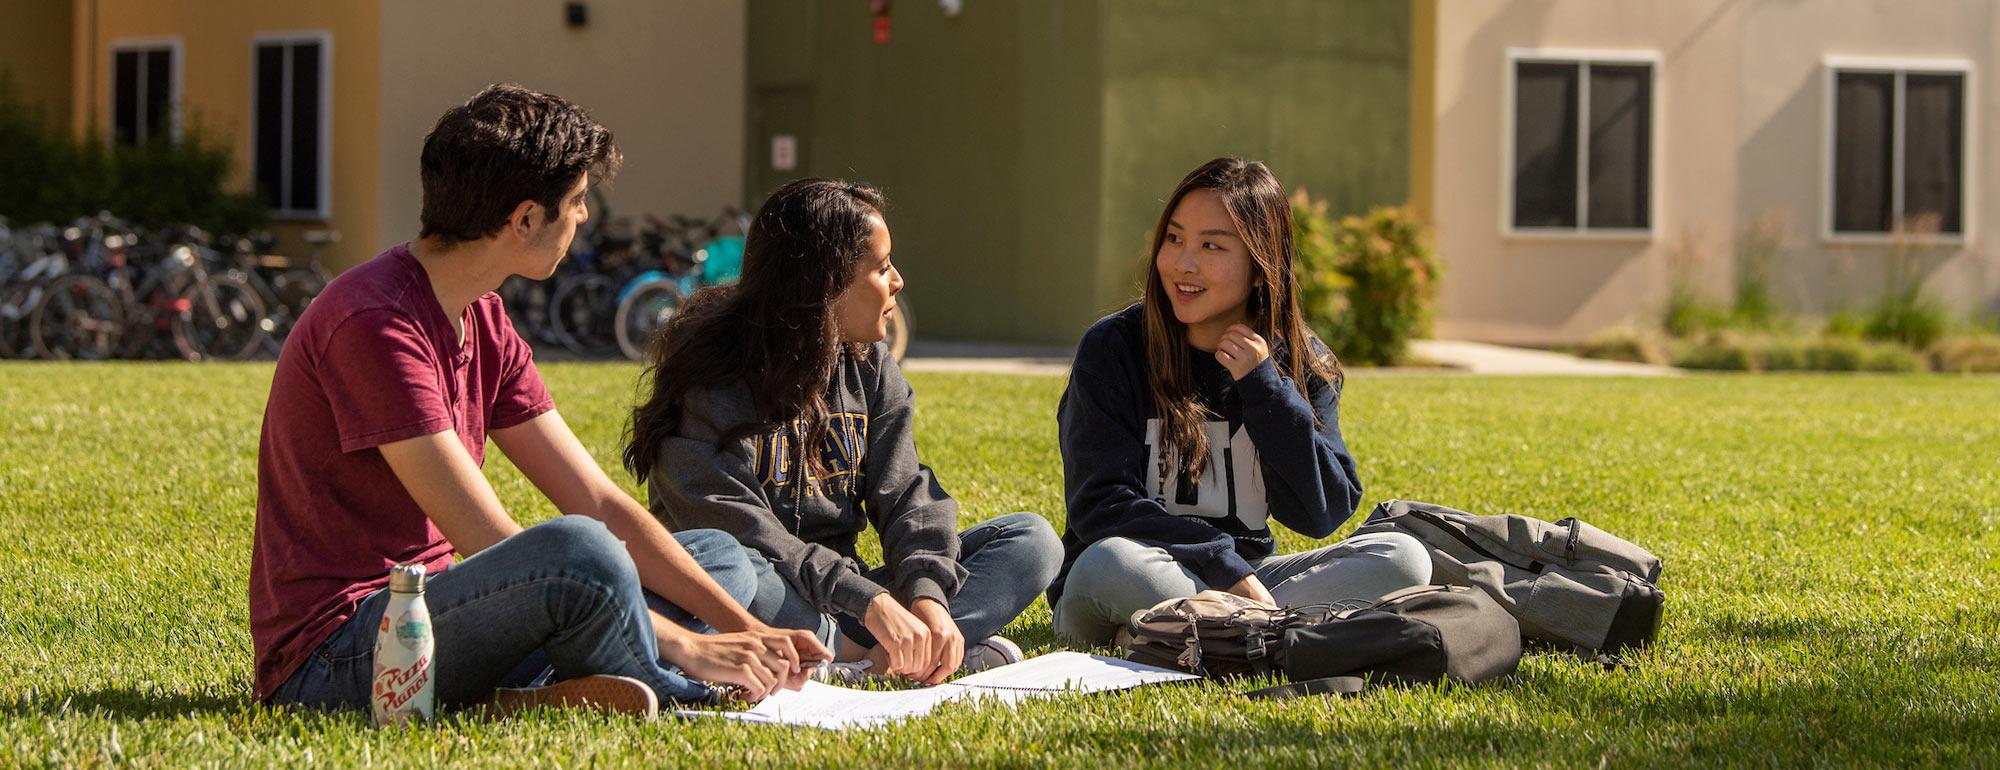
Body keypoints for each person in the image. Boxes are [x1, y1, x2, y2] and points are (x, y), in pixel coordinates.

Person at [249, 84, 825, 717]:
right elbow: (488, 539)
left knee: (715, 556)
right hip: (348, 654)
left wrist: (745, 626)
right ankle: (677, 690)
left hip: (453, 613)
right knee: (578, 553)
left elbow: (599, 499)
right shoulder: (374, 322)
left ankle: (537, 690)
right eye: (576, 202)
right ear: (524, 219)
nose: (581, 218)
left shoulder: (483, 317)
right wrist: (690, 644)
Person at [625, 178, 1062, 685]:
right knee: (738, 565)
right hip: (757, 598)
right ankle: (885, 659)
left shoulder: (870, 365)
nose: (897, 280)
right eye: (880, 268)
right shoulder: (710, 379)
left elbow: (907, 496)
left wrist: (928, 598)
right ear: (823, 284)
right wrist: (870, 601)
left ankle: (877, 661)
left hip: (844, 601)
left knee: (1032, 540)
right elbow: (744, 532)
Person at [1049, 157, 1434, 644]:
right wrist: (1221, 566)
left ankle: (1198, 635)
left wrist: (1266, 389)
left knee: (1402, 557)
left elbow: (1322, 513)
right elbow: (1100, 505)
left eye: (1211, 245)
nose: (1183, 263)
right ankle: (1262, 635)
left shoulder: (1300, 362)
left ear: (1260, 266)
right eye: (1174, 238)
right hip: (1143, 574)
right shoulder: (1113, 349)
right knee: (1111, 561)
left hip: (1250, 581)